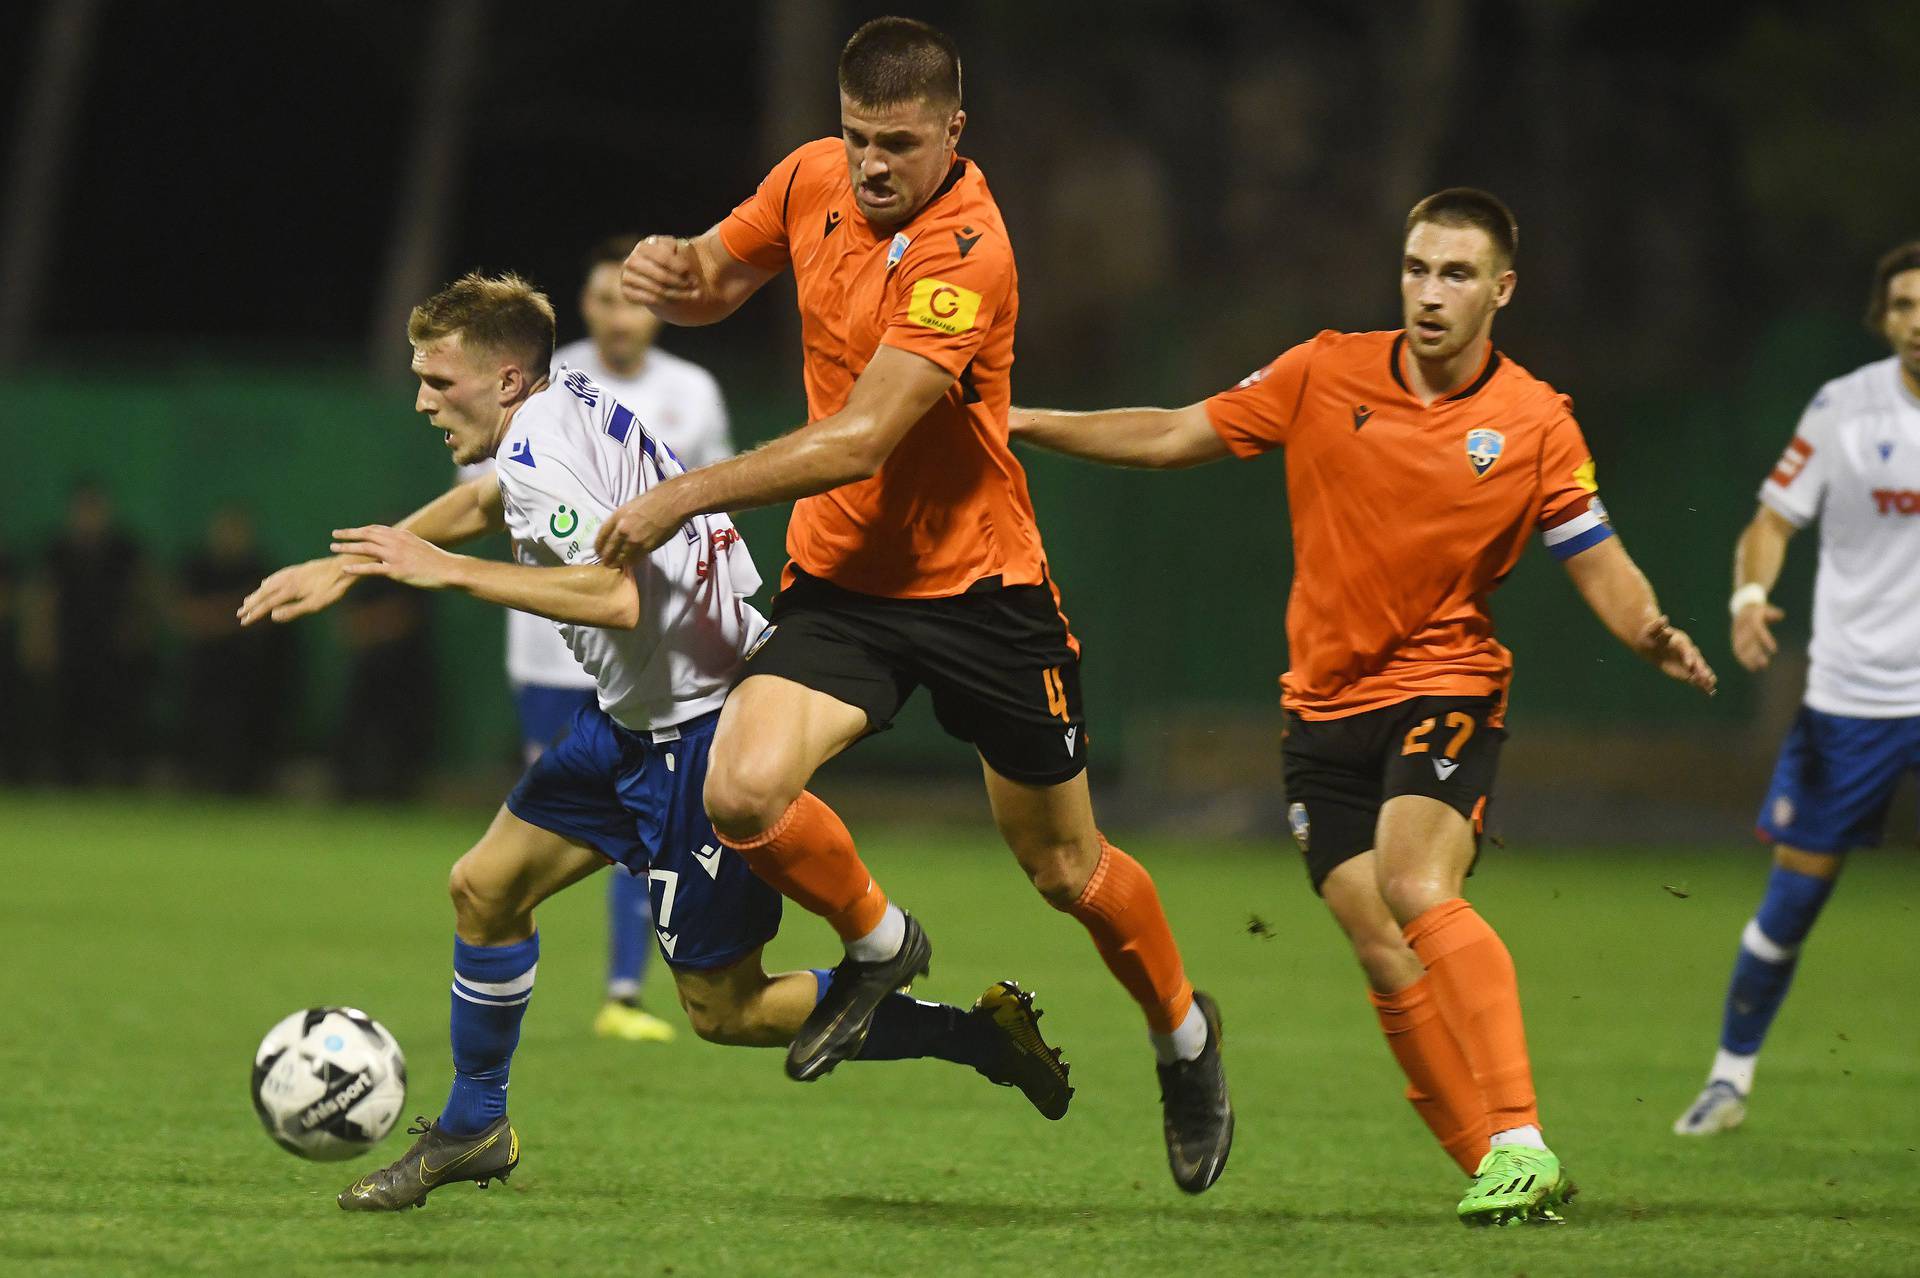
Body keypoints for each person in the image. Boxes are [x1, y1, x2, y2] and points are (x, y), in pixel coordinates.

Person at [239, 272, 1071, 1211]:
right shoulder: (565, 404)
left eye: (441, 382)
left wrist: (445, 578)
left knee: (726, 1011)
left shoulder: (541, 447)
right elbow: (485, 504)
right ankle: (475, 1126)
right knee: (484, 886)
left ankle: (979, 1038)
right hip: (631, 721)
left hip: (704, 733)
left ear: (508, 380)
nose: (425, 400)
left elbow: (613, 594)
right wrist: (351, 565)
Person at [592, 16, 1232, 1194]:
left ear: (953, 131)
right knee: (743, 789)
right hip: (847, 586)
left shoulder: (967, 250)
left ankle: (1184, 1036)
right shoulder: (811, 177)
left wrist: (685, 492)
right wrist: (670, 271)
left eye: (897, 141)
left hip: (986, 592)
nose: (872, 163)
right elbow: (717, 278)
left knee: (1066, 870)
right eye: (856, 137)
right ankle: (885, 946)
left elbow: (862, 440)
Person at [1007, 188, 1719, 1226]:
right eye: (1418, 269)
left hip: (1445, 683)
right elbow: (1169, 433)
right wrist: (1019, 417)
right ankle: (1501, 1174)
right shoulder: (1325, 370)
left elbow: (1593, 556)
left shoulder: (1534, 422)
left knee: (1415, 883)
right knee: (1375, 935)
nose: (1432, 293)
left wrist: (1648, 627)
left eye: (1458, 274)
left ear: (1502, 291)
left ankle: (1520, 1135)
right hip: (1320, 707)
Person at [456, 233, 734, 1046]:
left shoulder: (693, 392)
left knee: (638, 822)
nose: (621, 314)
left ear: (659, 309)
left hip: (653, 650)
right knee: (539, 842)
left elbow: (706, 498)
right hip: (553, 649)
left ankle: (622, 986)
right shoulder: (536, 380)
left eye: (635, 299)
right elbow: (484, 501)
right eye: (607, 297)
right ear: (585, 304)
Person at [1675, 242, 1920, 1137]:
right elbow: (1771, 522)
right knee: (1793, 902)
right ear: (1882, 318)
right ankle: (1729, 1079)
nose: (1919, 319)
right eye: (1903, 304)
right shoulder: (1845, 410)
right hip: (1851, 700)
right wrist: (1749, 595)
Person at [174, 506, 292, 793]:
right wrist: (233, 613)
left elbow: (265, 617)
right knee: (201, 733)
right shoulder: (198, 568)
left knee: (247, 735)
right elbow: (187, 616)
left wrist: (217, 616)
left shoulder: (259, 569)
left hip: (248, 672)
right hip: (204, 671)